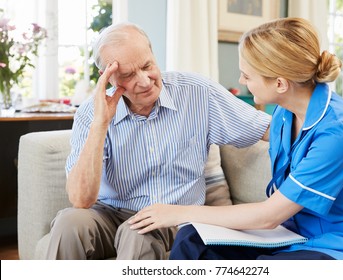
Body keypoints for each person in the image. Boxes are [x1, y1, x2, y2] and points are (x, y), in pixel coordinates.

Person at [129, 17, 343, 260]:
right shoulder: (284, 115)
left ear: (280, 83)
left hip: (342, 243)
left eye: (248, 75)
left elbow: (269, 215)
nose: (241, 80)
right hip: (291, 232)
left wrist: (178, 211)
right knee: (192, 239)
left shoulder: (339, 134)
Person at [43, 22, 271, 260]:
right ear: (108, 78)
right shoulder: (91, 112)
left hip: (172, 216)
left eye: (147, 66)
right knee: (69, 223)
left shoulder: (197, 92)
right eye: (129, 75)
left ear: (153, 55)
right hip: (109, 214)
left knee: (139, 231)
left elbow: (266, 128)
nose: (144, 81)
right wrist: (101, 123)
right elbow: (81, 200)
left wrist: (311, 128)